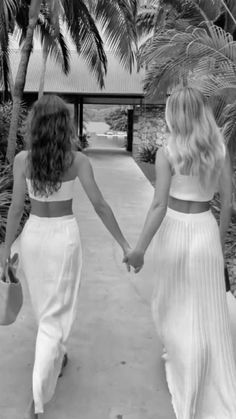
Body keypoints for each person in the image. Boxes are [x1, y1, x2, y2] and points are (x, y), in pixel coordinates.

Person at [1, 94, 130, 419]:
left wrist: (6, 250)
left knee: (46, 306)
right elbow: (100, 206)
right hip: (63, 238)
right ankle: (37, 398)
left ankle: (58, 353)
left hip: (33, 238)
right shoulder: (77, 161)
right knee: (56, 310)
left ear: (35, 127)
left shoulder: (23, 160)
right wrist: (125, 244)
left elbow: (17, 208)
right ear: (64, 126)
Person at [124, 86, 236, 418]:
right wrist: (216, 242)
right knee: (202, 306)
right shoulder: (219, 151)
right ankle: (200, 363)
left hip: (174, 227)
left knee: (170, 300)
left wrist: (139, 249)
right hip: (204, 228)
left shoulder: (168, 151)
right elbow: (227, 205)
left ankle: (182, 358)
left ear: (175, 114)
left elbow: (158, 205)